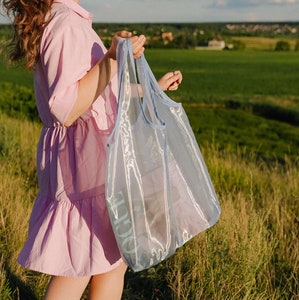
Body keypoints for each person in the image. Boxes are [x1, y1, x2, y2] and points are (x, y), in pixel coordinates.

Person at [2, 0, 183, 299]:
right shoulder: (65, 24)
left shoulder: (67, 20)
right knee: (81, 265)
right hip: (83, 162)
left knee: (108, 260)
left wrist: (152, 88)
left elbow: (97, 92)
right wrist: (111, 58)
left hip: (87, 158)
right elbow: (68, 106)